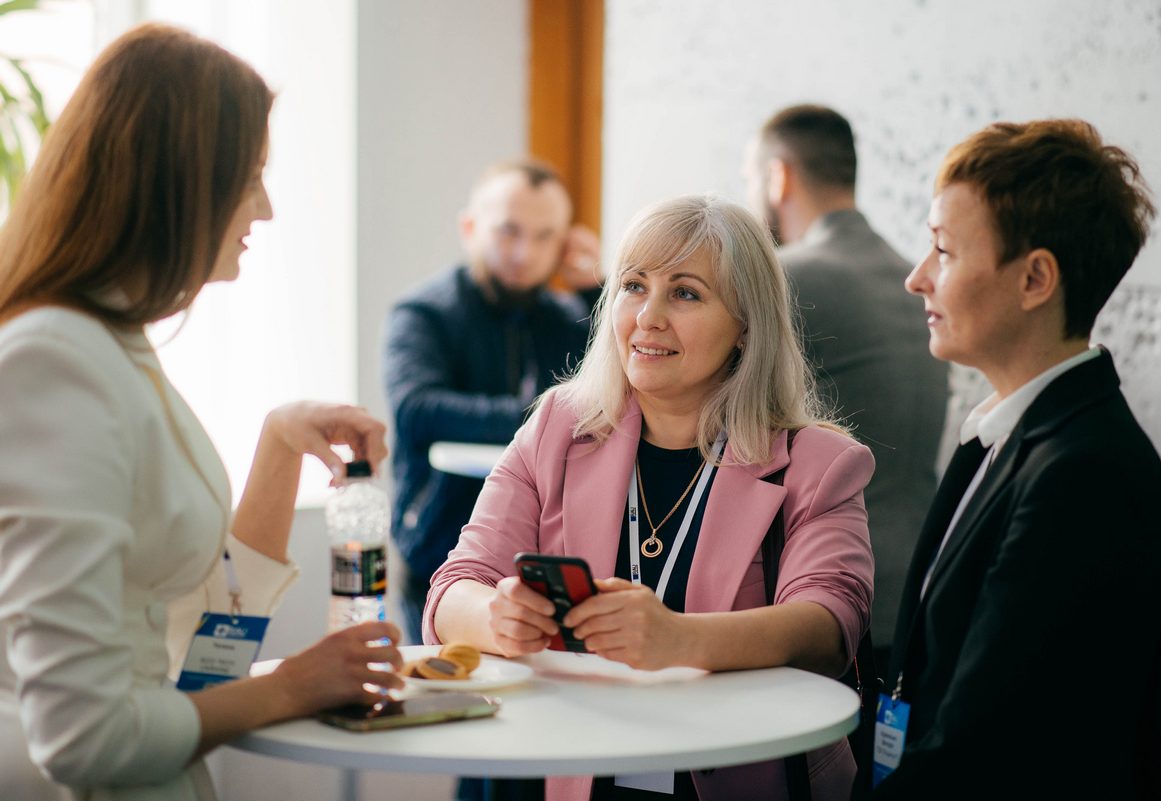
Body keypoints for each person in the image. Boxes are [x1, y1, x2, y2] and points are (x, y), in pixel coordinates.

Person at [0, 24, 403, 800]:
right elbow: (83, 737)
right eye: (249, 178)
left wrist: (279, 444)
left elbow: (203, 636)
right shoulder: (54, 360)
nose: (267, 208)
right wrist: (293, 686)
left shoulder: (113, 344)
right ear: (178, 184)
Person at [426, 195, 875, 801]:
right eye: (633, 286)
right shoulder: (557, 426)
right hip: (580, 772)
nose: (648, 317)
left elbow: (830, 625)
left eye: (685, 293)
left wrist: (679, 640)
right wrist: (496, 617)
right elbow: (454, 586)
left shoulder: (818, 462)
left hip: (738, 778)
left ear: (746, 326)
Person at [876, 119, 1161, 799]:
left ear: (1035, 278)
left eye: (943, 250)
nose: (916, 278)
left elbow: (986, 748)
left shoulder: (1084, 475)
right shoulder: (1015, 436)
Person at [744, 104, 947, 669]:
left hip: (826, 590)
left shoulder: (786, 278)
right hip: (920, 580)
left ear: (778, 177)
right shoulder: (914, 279)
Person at [384, 159, 601, 644]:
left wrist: (596, 290)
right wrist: (547, 418)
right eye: (508, 231)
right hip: (438, 546)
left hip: (544, 557)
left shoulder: (569, 317)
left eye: (545, 236)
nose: (525, 252)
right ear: (470, 228)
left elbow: (620, 390)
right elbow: (417, 410)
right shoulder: (422, 314)